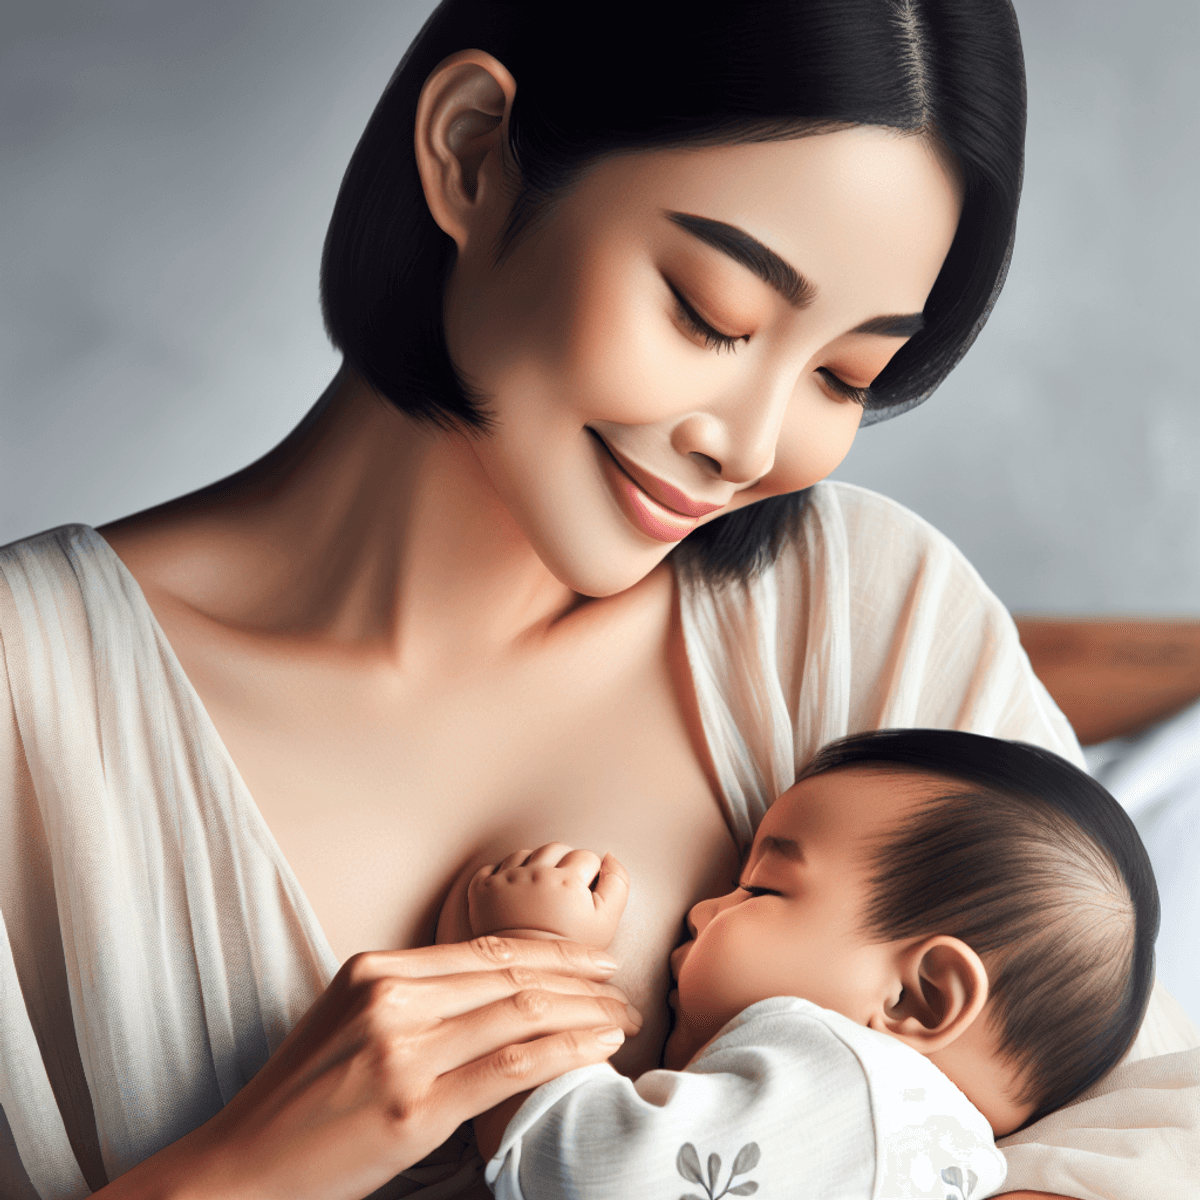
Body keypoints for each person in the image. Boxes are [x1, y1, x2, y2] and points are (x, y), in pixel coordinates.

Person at [0, 2, 1196, 1199]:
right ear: (473, 154)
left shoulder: (855, 609)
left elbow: (1154, 1116)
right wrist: (245, 1168)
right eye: (710, 312)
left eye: (846, 374)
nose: (751, 446)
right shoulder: (29, 700)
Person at [445, 730, 1157, 1199]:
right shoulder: (959, 1159)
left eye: (760, 888)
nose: (700, 910)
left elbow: (578, 1169)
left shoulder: (844, 1081)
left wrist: (538, 951)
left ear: (920, 997)